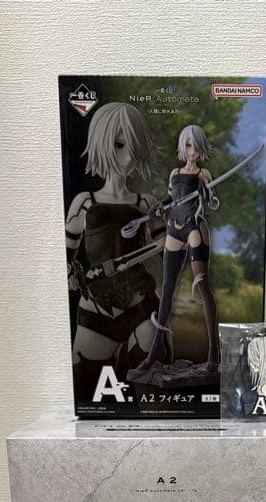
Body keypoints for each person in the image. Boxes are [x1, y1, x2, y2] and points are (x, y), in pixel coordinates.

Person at [65, 102, 164, 400]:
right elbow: (67, 252)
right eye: (120, 145)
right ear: (102, 142)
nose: (128, 156)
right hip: (97, 308)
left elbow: (170, 254)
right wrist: (70, 274)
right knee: (88, 392)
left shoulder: (146, 204)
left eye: (134, 147)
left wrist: (184, 230)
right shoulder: (85, 203)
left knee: (153, 394)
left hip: (142, 306)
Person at [126, 124, 220, 385]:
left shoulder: (203, 173)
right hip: (174, 230)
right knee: (167, 290)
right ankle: (154, 354)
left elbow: (213, 203)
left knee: (203, 287)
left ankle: (214, 355)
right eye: (188, 145)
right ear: (183, 146)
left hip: (194, 226)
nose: (192, 150)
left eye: (196, 145)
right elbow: (170, 201)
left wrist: (208, 191)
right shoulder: (175, 173)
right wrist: (159, 208)